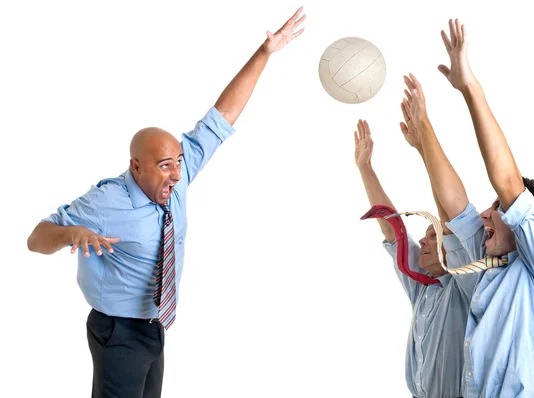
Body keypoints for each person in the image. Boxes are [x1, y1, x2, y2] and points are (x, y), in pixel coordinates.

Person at [26, 7, 306, 397]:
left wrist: (264, 53)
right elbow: (36, 238)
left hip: (152, 325)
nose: (176, 175)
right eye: (164, 166)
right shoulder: (108, 201)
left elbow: (221, 116)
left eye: (177, 162)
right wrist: (71, 232)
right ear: (136, 167)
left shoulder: (179, 173)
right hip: (118, 330)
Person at [401, 19, 534, 397]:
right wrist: (424, 132)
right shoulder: (484, 267)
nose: (485, 214)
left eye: (497, 208)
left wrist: (469, 89)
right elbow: (454, 209)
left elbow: (508, 182)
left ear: (526, 221)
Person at [354, 118, 478, 398]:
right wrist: (365, 168)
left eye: (434, 237)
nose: (422, 240)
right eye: (425, 235)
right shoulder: (421, 286)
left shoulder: (466, 288)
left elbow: (448, 215)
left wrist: (424, 149)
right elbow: (392, 228)